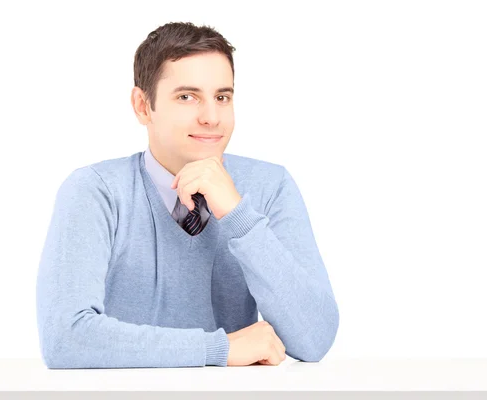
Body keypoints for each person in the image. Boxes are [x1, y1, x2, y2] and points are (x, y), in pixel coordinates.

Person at [36, 21, 339, 369]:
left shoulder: (271, 186)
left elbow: (315, 339)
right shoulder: (95, 191)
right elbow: (65, 337)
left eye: (222, 97)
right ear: (142, 106)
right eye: (186, 96)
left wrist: (237, 215)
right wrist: (219, 348)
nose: (211, 117)